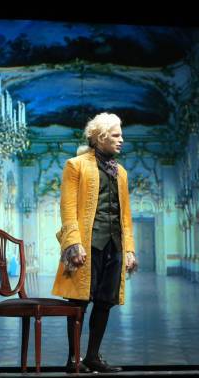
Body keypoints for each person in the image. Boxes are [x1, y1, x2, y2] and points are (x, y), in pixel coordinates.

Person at [52, 112, 137, 373]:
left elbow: (125, 214)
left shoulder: (120, 172)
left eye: (120, 134)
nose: (121, 139)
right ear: (100, 138)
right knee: (78, 302)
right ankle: (73, 359)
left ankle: (92, 356)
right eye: (115, 135)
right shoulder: (75, 165)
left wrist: (130, 248)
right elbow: (67, 208)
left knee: (105, 301)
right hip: (86, 245)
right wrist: (72, 244)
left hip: (114, 244)